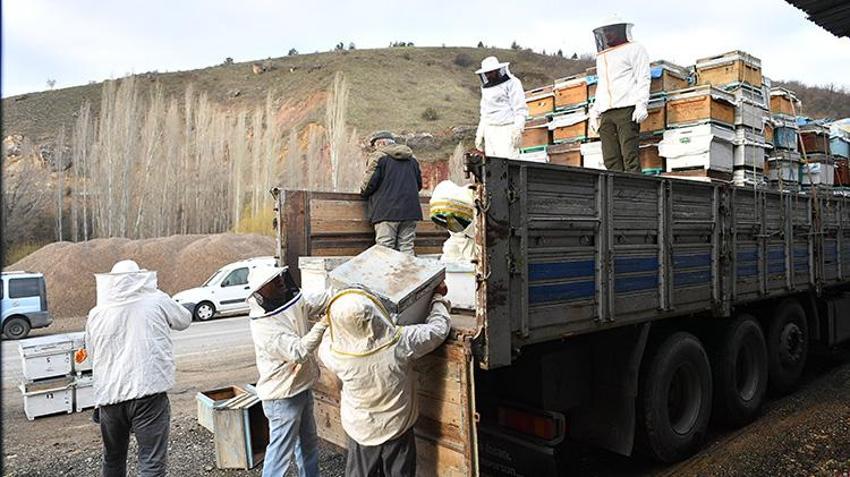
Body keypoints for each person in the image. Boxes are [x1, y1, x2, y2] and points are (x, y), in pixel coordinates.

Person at [318, 283, 452, 477]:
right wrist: (437, 299)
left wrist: (331, 322)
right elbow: (439, 329)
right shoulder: (401, 342)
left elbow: (327, 337)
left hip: (361, 430)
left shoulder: (334, 353)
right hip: (398, 428)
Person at [79, 260, 191, 477]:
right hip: (148, 394)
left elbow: (92, 356)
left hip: (109, 399)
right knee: (151, 461)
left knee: (112, 458)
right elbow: (184, 319)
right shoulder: (156, 300)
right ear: (140, 278)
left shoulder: (97, 313)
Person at [246, 266, 330, 477]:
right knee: (280, 455)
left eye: (278, 277)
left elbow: (312, 303)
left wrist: (341, 294)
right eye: (273, 281)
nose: (280, 282)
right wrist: (323, 325)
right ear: (261, 291)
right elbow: (298, 351)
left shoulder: (289, 300)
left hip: (301, 387)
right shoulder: (264, 326)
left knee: (308, 445)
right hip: (282, 396)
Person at [587, 17, 651, 173]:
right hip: (606, 112)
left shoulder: (636, 49)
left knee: (629, 154)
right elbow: (603, 84)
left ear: (621, 30)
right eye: (605, 31)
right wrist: (594, 112)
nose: (607, 35)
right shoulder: (602, 56)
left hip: (626, 109)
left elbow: (643, 77)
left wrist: (642, 104)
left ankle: (634, 193)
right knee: (610, 158)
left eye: (611, 31)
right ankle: (615, 193)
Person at [361, 131, 423, 255]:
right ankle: (408, 274)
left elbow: (369, 184)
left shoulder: (378, 157)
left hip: (386, 211)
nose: (374, 149)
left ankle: (386, 275)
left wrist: (363, 192)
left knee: (385, 248)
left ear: (382, 143)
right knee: (406, 246)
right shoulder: (412, 159)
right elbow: (419, 185)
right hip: (410, 211)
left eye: (375, 145)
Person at [474, 56, 528, 159]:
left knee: (508, 163)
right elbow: (484, 113)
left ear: (497, 70)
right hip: (490, 130)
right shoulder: (486, 88)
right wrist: (480, 133)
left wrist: (518, 129)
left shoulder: (513, 83)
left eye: (491, 72)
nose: (488, 75)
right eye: (486, 73)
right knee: (492, 166)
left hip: (506, 129)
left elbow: (520, 109)